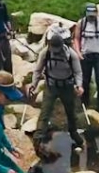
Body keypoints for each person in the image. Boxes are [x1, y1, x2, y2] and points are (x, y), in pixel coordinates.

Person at [30, 24, 84, 154]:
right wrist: (34, 84)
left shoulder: (71, 55)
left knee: (71, 113)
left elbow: (78, 72)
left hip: (67, 87)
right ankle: (37, 142)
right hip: (51, 86)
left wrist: (79, 85)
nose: (54, 50)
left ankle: (74, 134)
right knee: (45, 113)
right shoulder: (45, 53)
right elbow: (38, 70)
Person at [73, 3, 99, 112]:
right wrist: (78, 52)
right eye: (89, 14)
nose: (91, 17)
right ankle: (84, 104)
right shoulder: (81, 23)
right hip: (85, 55)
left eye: (93, 14)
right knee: (85, 81)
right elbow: (76, 39)